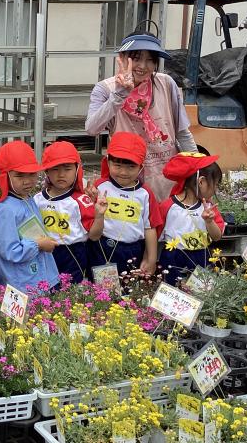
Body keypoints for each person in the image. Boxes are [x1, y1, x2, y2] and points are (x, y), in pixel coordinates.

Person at [85, 33, 197, 199]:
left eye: (150, 60)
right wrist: (120, 94)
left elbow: (182, 132)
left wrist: (198, 169)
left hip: (167, 177)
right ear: (122, 58)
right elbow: (92, 128)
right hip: (126, 179)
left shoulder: (166, 84)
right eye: (136, 58)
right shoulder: (105, 89)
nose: (143, 66)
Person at [87, 132, 162, 277]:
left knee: (129, 286)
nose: (123, 172)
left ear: (140, 167)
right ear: (108, 162)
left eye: (131, 167)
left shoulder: (145, 194)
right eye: (117, 165)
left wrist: (151, 259)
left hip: (133, 250)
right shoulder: (100, 186)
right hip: (101, 247)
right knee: (98, 287)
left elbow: (150, 228)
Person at [0, 140, 60, 292]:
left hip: (38, 276)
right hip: (21, 283)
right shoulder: (7, 209)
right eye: (20, 176)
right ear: (6, 176)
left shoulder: (27, 198)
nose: (27, 181)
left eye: (32, 174)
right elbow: (9, 250)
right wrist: (39, 245)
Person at [158, 152, 224, 286]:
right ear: (201, 181)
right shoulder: (168, 207)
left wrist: (209, 221)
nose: (216, 189)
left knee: (202, 293)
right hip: (173, 259)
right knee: (174, 292)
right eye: (216, 184)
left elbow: (217, 237)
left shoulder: (209, 208)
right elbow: (155, 236)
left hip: (202, 256)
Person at [33, 141, 94, 283]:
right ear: (46, 171)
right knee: (46, 287)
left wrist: (99, 214)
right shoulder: (37, 199)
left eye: (67, 169)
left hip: (72, 252)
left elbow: (94, 234)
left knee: (71, 289)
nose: (61, 174)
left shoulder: (81, 200)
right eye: (55, 169)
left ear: (77, 169)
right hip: (45, 250)